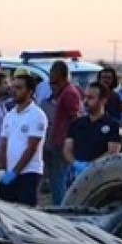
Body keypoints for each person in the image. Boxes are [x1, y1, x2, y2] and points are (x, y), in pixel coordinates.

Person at [0, 74, 47, 206]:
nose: (14, 91)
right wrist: (2, 169)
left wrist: (15, 172)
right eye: (12, 87)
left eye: (18, 88)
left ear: (30, 92)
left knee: (25, 214)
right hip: (9, 172)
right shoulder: (9, 115)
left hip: (28, 173)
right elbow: (3, 144)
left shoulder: (37, 115)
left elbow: (32, 147)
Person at [43, 60, 82, 205]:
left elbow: (75, 119)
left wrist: (70, 141)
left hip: (62, 144)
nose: (50, 76)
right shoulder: (63, 92)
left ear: (60, 74)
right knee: (55, 180)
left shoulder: (69, 93)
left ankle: (61, 209)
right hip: (57, 142)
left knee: (58, 180)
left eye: (52, 72)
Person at [64, 82, 122, 178]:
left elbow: (113, 151)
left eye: (91, 98)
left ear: (103, 100)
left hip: (101, 174)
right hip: (77, 174)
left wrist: (92, 166)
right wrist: (76, 164)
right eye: (85, 97)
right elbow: (67, 149)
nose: (86, 101)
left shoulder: (113, 125)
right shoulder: (76, 123)